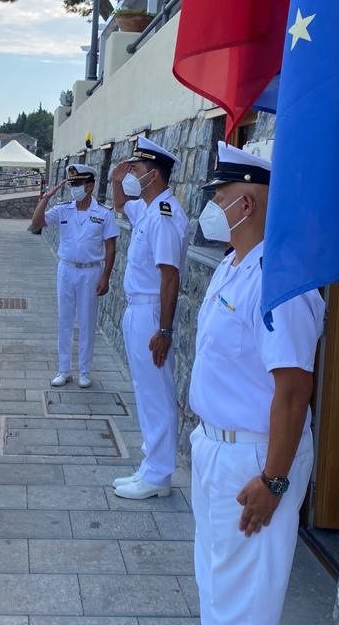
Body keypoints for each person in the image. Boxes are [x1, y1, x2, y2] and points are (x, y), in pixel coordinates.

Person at [189, 142, 325, 625]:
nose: (211, 207)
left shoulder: (279, 281)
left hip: (255, 458)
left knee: (244, 601)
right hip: (214, 447)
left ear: (244, 204)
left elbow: (292, 390)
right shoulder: (233, 266)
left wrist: (274, 480)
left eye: (218, 195)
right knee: (215, 580)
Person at [109, 136, 189, 499]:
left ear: (153, 175)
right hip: (138, 309)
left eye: (136, 170)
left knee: (157, 393)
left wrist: (165, 329)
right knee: (145, 390)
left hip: (152, 312)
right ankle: (151, 464)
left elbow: (170, 276)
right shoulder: (150, 208)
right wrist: (116, 179)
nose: (131, 174)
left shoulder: (165, 216)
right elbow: (122, 204)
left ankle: (158, 476)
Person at [29, 163, 117, 389]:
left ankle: (85, 371)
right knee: (65, 320)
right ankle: (64, 369)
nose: (74, 188)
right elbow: (36, 223)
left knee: (87, 321)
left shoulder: (104, 213)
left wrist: (105, 277)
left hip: (91, 270)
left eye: (78, 184)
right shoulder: (63, 209)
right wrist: (46, 197)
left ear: (90, 185)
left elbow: (110, 247)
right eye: (72, 184)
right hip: (66, 269)